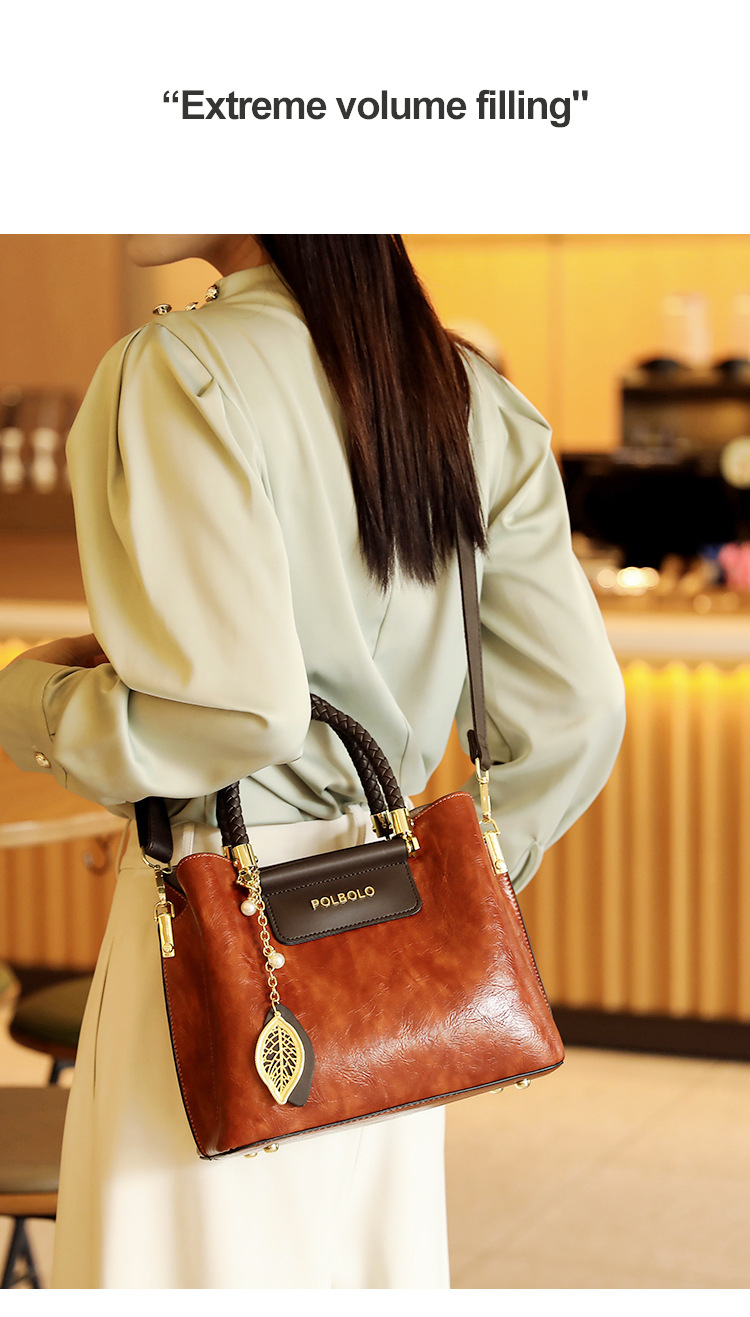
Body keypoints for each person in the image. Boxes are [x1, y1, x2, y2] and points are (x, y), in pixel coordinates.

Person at [0, 235, 625, 1289]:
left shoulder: (180, 370)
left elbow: (238, 712)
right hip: (396, 957)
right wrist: (455, 892)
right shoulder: (468, 394)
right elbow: (580, 712)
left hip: (220, 918)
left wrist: (31, 700)